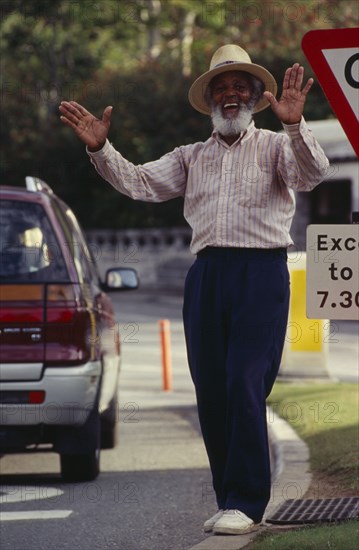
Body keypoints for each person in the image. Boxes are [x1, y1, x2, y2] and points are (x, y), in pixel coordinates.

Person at [59, 44, 329, 535]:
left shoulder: (275, 145)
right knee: (212, 390)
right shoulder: (190, 157)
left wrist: (294, 124)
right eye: (220, 88)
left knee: (244, 381)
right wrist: (101, 148)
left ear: (253, 97)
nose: (230, 95)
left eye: (239, 88)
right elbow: (140, 183)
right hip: (207, 275)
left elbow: (312, 175)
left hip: (261, 273)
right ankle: (230, 498)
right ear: (209, 101)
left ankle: (248, 501)